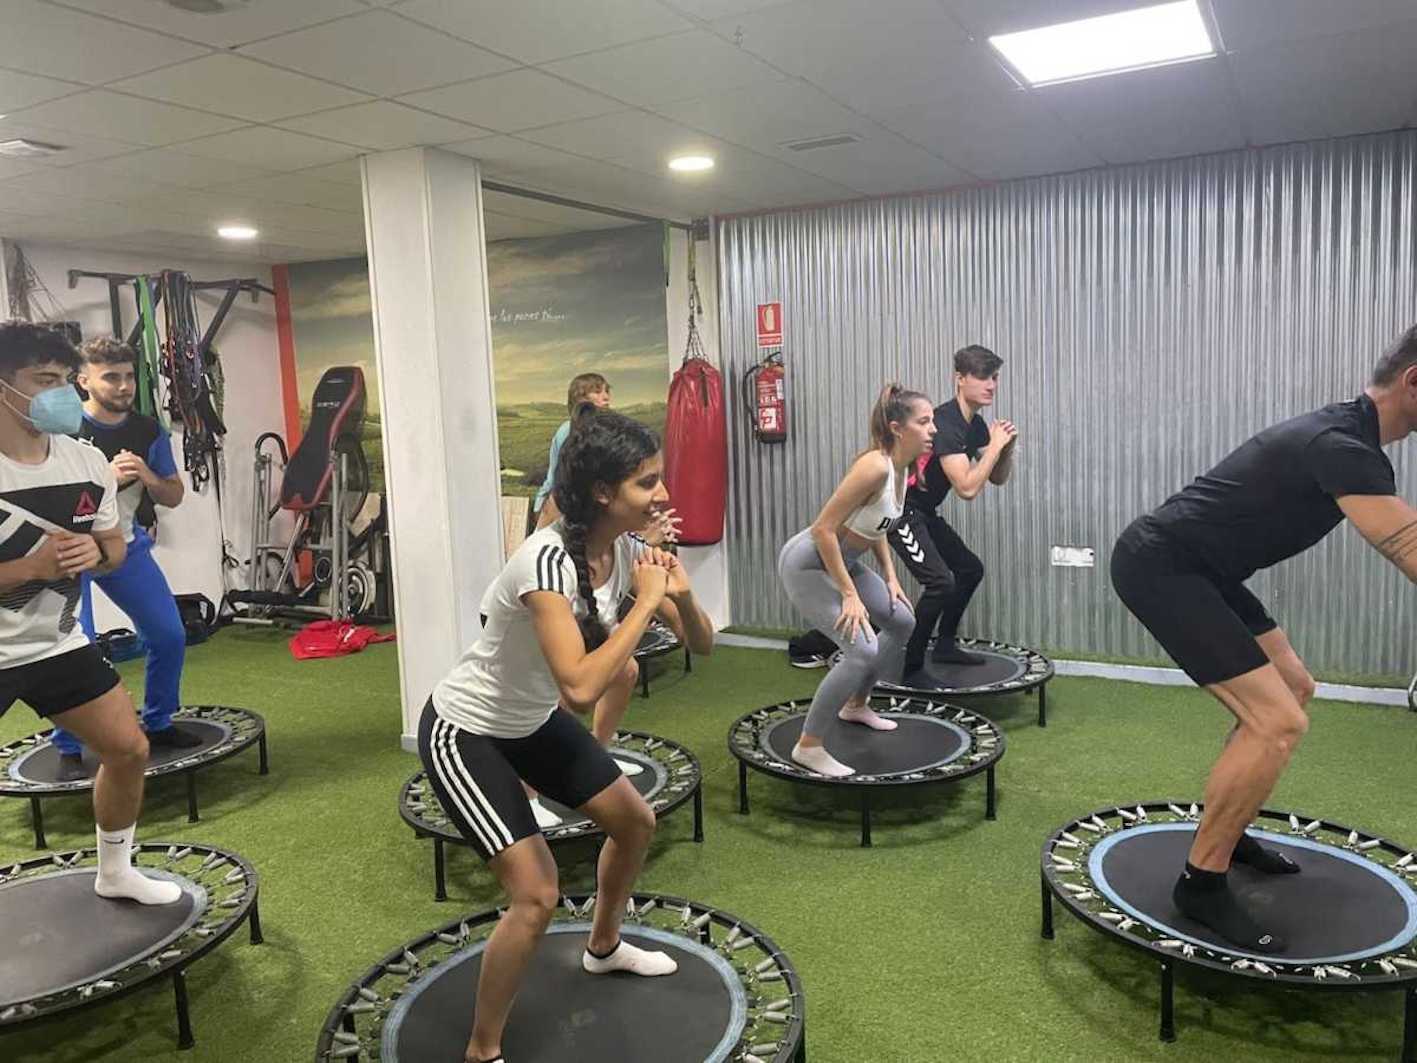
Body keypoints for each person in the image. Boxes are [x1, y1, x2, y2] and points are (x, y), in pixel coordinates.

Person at [419, 409, 714, 1063]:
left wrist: (681, 595)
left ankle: (603, 948)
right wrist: (643, 602)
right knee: (536, 893)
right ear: (604, 493)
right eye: (646, 483)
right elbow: (580, 689)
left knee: (634, 822)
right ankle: (482, 1049)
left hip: (528, 722)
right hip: (466, 730)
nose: (661, 494)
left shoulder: (627, 549)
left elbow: (702, 643)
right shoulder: (546, 563)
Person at [1111, 325, 1417, 953]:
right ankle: (1201, 881)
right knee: (1276, 722)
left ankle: (1229, 825)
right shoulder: (1342, 445)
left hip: (1204, 569)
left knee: (1294, 690)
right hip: (1161, 563)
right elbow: (1410, 548)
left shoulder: (1349, 437)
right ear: (1414, 381)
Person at [0, 320, 179, 905]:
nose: (58, 394)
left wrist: (94, 553)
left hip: (54, 642)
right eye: (42, 380)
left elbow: (114, 548)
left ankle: (116, 870)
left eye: (61, 380)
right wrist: (31, 569)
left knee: (128, 751)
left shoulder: (83, 460)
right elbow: (36, 567)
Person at [50, 337, 194, 783]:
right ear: (84, 380)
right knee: (77, 651)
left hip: (125, 549)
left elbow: (173, 495)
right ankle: (70, 747)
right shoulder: (60, 432)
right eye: (111, 376)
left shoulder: (148, 431)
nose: (124, 385)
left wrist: (147, 475)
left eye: (129, 376)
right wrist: (102, 480)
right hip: (70, 555)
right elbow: (49, 501)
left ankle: (159, 721)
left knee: (169, 635)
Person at [777, 385, 934, 777]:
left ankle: (856, 705)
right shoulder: (875, 466)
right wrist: (849, 593)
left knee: (902, 621)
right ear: (897, 428)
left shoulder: (902, 470)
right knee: (862, 649)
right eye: (924, 421)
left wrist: (892, 577)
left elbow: (879, 525)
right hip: (808, 564)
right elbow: (823, 530)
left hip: (844, 560)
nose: (933, 429)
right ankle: (808, 745)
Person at [889, 345, 1016, 688]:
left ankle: (944, 646)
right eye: (982, 376)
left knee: (969, 569)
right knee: (940, 583)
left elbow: (996, 477)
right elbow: (967, 488)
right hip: (901, 513)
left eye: (995, 377)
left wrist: (1004, 450)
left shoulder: (973, 425)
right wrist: (992, 448)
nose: (991, 384)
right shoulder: (944, 423)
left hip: (925, 511)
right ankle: (912, 668)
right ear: (960, 379)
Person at [533, 372, 611, 527]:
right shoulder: (567, 430)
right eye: (597, 392)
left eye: (607, 391)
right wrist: (540, 508)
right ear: (580, 399)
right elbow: (555, 475)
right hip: (567, 507)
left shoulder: (609, 431)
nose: (606, 397)